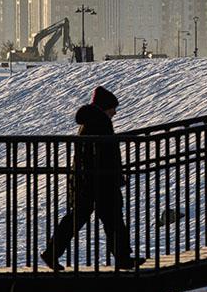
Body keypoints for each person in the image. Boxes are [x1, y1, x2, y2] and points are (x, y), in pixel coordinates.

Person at [40, 86, 142, 270]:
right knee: (111, 218)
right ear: (105, 107)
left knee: (81, 218)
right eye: (113, 108)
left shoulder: (91, 121)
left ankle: (51, 253)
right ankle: (123, 258)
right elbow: (104, 154)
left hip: (88, 180)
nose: (115, 112)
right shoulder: (100, 122)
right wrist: (114, 176)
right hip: (99, 180)